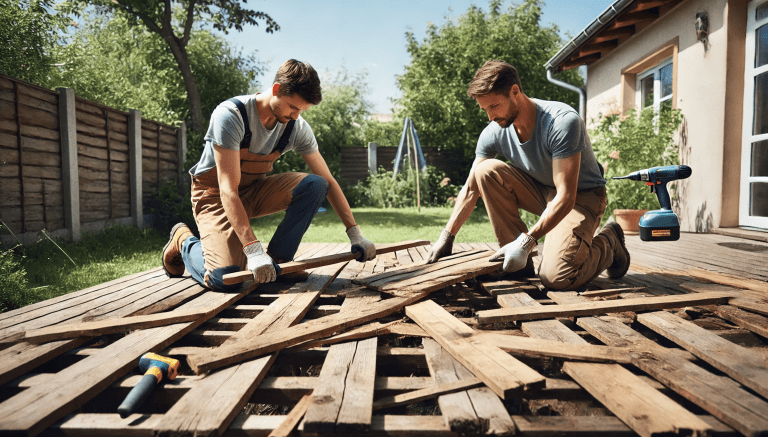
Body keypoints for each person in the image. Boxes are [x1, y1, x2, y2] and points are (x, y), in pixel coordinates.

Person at [162, 59, 376, 290]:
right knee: (226, 279)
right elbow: (227, 190)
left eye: (302, 110)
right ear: (276, 90)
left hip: (254, 191)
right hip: (216, 197)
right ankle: (184, 241)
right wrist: (253, 250)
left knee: (316, 185)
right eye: (293, 107)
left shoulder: (296, 127)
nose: (296, 116)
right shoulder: (231, 116)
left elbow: (330, 182)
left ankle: (280, 262)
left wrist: (355, 234)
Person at [427, 60, 629, 290]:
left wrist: (526, 242)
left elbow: (565, 196)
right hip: (541, 192)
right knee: (484, 171)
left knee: (557, 278)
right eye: (485, 109)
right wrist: (447, 235)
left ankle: (610, 242)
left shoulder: (561, 122)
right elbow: (472, 187)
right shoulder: (494, 131)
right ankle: (518, 266)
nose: (490, 117)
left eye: (494, 106)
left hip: (581, 198)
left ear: (515, 91)